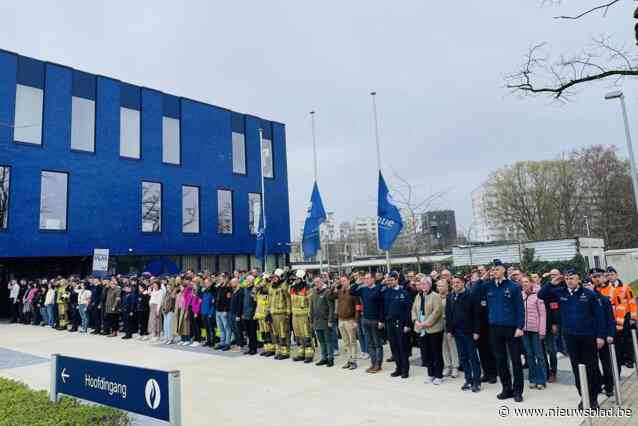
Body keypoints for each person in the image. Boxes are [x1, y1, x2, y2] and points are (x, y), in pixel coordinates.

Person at [538, 268, 604, 409]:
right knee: (576, 368)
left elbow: (599, 317)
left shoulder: (589, 294)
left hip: (588, 337)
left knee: (591, 368)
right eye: (567, 278)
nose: (569, 281)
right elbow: (541, 295)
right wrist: (552, 282)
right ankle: (583, 397)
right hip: (570, 337)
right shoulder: (560, 293)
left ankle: (593, 399)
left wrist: (600, 336)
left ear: (578, 279)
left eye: (572, 278)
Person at [475, 259, 525, 402]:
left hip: (511, 328)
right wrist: (482, 278)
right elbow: (474, 291)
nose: (494, 271)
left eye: (497, 269)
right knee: (500, 360)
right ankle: (506, 388)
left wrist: (520, 327)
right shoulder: (488, 286)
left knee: (515, 361)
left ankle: (518, 390)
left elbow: (520, 309)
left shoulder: (513, 286)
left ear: (503, 270)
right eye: (493, 269)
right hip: (495, 328)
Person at [447, 275, 481, 392]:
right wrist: (449, 330)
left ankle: (476, 381)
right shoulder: (450, 296)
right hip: (457, 332)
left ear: (463, 283)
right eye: (454, 283)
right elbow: (449, 314)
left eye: (458, 282)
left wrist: (476, 331)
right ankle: (468, 379)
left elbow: (477, 315)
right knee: (463, 357)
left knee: (473, 357)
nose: (455, 284)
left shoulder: (471, 295)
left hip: (469, 332)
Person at [589, 271, 616, 398]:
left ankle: (609, 386)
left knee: (606, 364)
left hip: (604, 336)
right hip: (589, 336)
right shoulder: (583, 301)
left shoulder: (603, 300)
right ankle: (598, 384)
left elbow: (610, 319)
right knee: (593, 364)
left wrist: (610, 334)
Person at [350, 272, 384, 373]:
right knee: (369, 344)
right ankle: (373, 364)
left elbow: (382, 306)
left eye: (368, 278)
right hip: (365, 319)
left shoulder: (378, 289)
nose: (366, 280)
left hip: (375, 320)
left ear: (373, 279)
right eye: (365, 279)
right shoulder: (363, 289)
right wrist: (357, 282)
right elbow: (351, 292)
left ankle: (378, 364)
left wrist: (381, 320)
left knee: (377, 343)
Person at [413, 277, 444, 384]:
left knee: (436, 353)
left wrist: (425, 324)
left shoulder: (435, 296)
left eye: (424, 284)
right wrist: (415, 321)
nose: (422, 286)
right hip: (420, 329)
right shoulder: (418, 296)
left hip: (433, 329)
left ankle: (439, 375)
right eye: (421, 284)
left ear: (430, 285)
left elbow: (437, 312)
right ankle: (430, 374)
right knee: (426, 353)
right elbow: (413, 310)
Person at [382, 271, 412, 379]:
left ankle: (405, 370)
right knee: (394, 347)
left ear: (397, 280)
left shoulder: (404, 293)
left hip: (401, 324)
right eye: (388, 280)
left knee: (402, 347)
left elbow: (408, 310)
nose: (389, 282)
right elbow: (384, 308)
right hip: (390, 323)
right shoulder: (386, 292)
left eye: (391, 280)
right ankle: (398, 368)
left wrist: (408, 324)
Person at [521, 275, 547, 390]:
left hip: (536, 330)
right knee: (529, 355)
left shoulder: (538, 295)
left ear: (531, 283)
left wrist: (542, 330)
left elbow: (543, 314)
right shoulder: (520, 295)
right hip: (524, 330)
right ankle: (532, 378)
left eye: (527, 281)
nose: (525, 284)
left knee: (539, 355)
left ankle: (541, 379)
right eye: (523, 282)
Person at [331, 274, 359, 369]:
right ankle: (349, 360)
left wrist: (356, 320)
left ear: (348, 281)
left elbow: (357, 307)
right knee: (346, 342)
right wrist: (334, 286)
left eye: (344, 281)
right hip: (341, 320)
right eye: (341, 281)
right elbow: (330, 297)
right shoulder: (339, 291)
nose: (342, 282)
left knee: (352, 341)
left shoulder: (353, 292)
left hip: (350, 320)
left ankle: (353, 361)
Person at [309, 277, 335, 367]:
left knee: (328, 341)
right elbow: (311, 308)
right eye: (315, 282)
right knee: (321, 341)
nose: (317, 283)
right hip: (317, 321)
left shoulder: (327, 291)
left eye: (318, 282)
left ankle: (330, 358)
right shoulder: (314, 292)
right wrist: (311, 321)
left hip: (325, 321)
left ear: (322, 282)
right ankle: (324, 358)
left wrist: (330, 320)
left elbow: (331, 308)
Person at [290, 270, 314, 363]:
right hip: (295, 315)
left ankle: (309, 354)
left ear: (302, 278)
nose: (295, 280)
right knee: (298, 335)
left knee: (306, 334)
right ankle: (301, 353)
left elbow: (311, 303)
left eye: (297, 279)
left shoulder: (307, 288)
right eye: (295, 279)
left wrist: (310, 315)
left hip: (304, 315)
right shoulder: (292, 288)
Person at [437, 279, 459, 378]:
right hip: (438, 325)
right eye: (438, 286)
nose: (439, 288)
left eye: (441, 285)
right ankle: (447, 366)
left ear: (447, 287)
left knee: (452, 346)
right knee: (443, 346)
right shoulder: (436, 297)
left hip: (449, 325)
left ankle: (455, 366)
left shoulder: (451, 296)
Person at [268, 269, 291, 360]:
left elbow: (288, 299)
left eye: (275, 277)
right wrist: (267, 312)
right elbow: (269, 301)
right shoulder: (271, 287)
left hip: (281, 313)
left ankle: (285, 352)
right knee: (275, 333)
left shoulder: (283, 286)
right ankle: (278, 350)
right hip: (273, 313)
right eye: (272, 278)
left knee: (283, 333)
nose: (273, 279)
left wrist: (288, 312)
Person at [255, 274, 275, 357]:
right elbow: (254, 295)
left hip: (266, 314)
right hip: (260, 315)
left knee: (268, 333)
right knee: (263, 333)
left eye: (264, 280)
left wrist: (267, 283)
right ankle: (266, 348)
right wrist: (259, 286)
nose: (262, 282)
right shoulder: (260, 290)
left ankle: (271, 349)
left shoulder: (269, 289)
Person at [240, 275, 258, 355]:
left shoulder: (254, 289)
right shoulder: (245, 289)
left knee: (252, 332)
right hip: (245, 314)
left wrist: (254, 313)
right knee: (248, 333)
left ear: (251, 281)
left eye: (247, 280)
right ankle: (250, 347)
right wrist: (243, 313)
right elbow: (244, 302)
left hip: (252, 314)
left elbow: (255, 303)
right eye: (246, 280)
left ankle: (254, 348)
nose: (246, 281)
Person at [214, 275, 233, 351]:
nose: (219, 280)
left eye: (221, 279)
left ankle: (227, 343)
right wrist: (219, 285)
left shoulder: (228, 288)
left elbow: (228, 300)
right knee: (221, 328)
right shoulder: (218, 288)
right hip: (218, 310)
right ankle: (222, 342)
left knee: (227, 328)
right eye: (219, 279)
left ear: (225, 279)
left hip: (224, 311)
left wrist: (225, 310)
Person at [200, 278, 216, 347]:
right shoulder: (204, 291)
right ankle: (208, 340)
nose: (206, 284)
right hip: (203, 312)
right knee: (206, 328)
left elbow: (213, 304)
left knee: (211, 328)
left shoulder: (212, 292)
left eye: (207, 283)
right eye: (205, 283)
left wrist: (210, 313)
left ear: (210, 283)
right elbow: (201, 301)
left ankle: (213, 341)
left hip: (209, 313)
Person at [230, 278, 245, 349]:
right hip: (232, 312)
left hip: (237, 313)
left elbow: (240, 304)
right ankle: (237, 343)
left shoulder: (240, 291)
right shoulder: (234, 290)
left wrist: (238, 315)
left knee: (238, 330)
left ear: (236, 282)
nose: (231, 284)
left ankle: (240, 344)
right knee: (234, 329)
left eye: (232, 283)